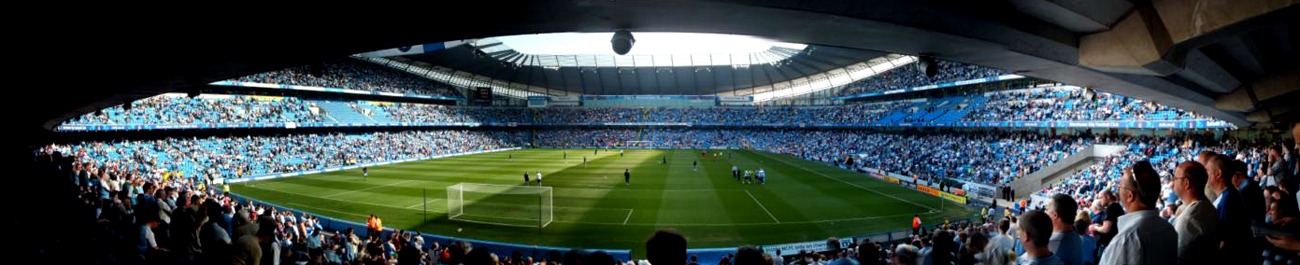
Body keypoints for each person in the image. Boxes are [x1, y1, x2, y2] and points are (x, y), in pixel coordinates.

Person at [1097, 161, 1177, 265]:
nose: (1118, 190)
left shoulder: (1125, 240)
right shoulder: (1169, 229)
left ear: (1130, 196)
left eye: (1120, 186)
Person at [1205, 154, 1256, 264]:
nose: (1205, 175)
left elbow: (1225, 242)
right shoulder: (1229, 195)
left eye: (1208, 171)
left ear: (1218, 174)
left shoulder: (1227, 200)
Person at [1169, 161, 1219, 264]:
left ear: (1186, 183)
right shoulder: (1210, 208)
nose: (1173, 183)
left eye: (1175, 179)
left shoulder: (1188, 220)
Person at [1045, 194, 1082, 265]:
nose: (1045, 212)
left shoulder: (1051, 244)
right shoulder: (1076, 236)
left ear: (1055, 215)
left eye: (1047, 209)